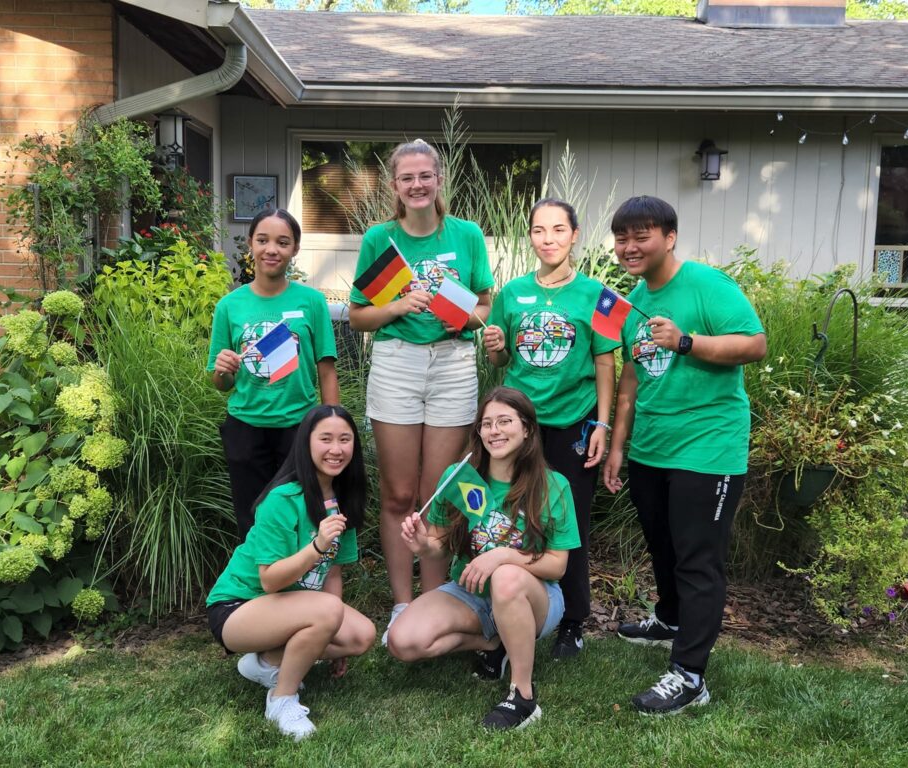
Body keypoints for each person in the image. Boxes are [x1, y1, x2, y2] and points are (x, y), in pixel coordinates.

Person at [601, 195, 766, 715]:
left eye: (641, 236)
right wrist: (619, 447)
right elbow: (629, 380)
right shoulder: (630, 301)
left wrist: (688, 341)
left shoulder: (707, 285)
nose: (629, 247)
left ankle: (690, 674)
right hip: (652, 447)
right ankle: (670, 617)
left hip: (707, 446)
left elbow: (755, 344)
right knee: (663, 545)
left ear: (669, 238)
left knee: (698, 559)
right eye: (622, 238)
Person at [348, 139, 493, 642]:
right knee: (399, 493)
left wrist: (466, 321)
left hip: (453, 365)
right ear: (395, 186)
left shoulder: (467, 235)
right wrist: (398, 306)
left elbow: (485, 303)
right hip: (396, 364)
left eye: (425, 176)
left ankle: (433, 602)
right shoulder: (379, 240)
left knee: (437, 495)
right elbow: (358, 314)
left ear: (439, 180)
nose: (417, 185)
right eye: (407, 178)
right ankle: (402, 604)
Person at [386, 387, 580, 730]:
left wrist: (503, 555)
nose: (494, 431)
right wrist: (422, 545)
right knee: (403, 642)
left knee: (505, 576)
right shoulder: (462, 479)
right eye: (486, 424)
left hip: (535, 597)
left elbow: (557, 565)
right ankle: (496, 641)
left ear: (527, 430)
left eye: (505, 421)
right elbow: (441, 545)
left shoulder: (552, 485)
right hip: (472, 592)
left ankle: (522, 695)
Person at [483, 198, 617, 659]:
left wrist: (602, 421)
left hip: (573, 424)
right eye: (539, 231)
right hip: (521, 426)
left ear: (574, 234)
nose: (548, 240)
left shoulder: (598, 294)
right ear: (531, 237)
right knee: (513, 517)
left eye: (558, 230)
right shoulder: (511, 293)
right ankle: (511, 609)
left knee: (569, 521)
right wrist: (496, 347)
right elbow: (500, 359)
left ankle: (573, 620)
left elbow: (605, 361)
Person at [205, 405, 376, 741]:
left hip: (287, 605)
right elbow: (269, 579)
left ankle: (265, 664)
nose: (336, 449)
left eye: (345, 439)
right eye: (325, 438)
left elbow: (333, 574)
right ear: (306, 443)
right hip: (238, 606)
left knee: (361, 635)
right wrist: (316, 546)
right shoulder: (283, 498)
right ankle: (281, 700)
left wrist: (329, 632)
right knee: (327, 609)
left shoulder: (344, 500)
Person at [208, 208, 339, 541]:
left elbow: (326, 370)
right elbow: (221, 383)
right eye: (263, 240)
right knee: (250, 518)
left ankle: (302, 585)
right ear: (250, 244)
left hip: (298, 427)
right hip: (245, 428)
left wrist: (332, 425)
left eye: (283, 242)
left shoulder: (311, 302)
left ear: (295, 249)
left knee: (300, 514)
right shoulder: (229, 306)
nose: (272, 250)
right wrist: (223, 371)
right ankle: (256, 588)